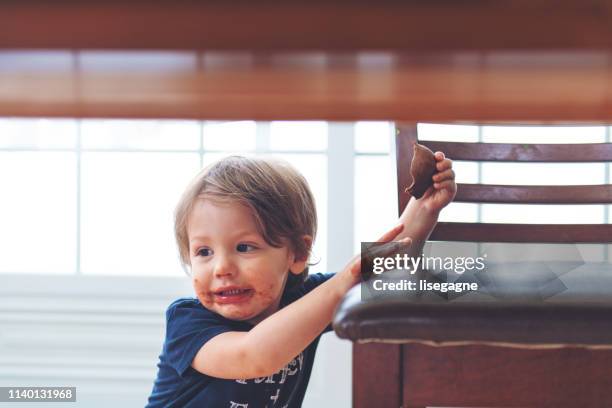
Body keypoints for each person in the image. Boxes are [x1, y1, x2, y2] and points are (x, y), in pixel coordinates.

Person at [146, 153, 456, 407]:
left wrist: (424, 208)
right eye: (203, 252)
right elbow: (253, 356)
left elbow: (385, 268)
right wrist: (344, 280)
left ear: (297, 254)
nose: (222, 268)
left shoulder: (304, 299)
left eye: (244, 247)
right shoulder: (188, 323)